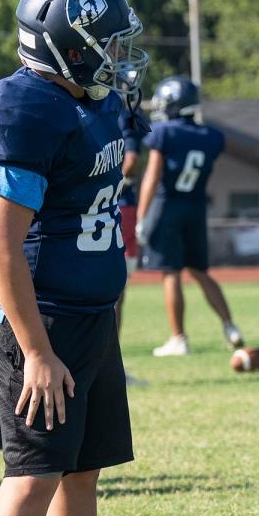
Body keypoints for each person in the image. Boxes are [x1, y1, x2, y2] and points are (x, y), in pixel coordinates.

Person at [0, 0, 151, 516]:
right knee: (35, 471)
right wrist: (36, 352)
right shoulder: (24, 110)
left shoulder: (92, 102)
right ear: (67, 46)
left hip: (87, 314)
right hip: (34, 321)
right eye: (107, 42)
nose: (119, 54)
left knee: (81, 470)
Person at [135, 76, 245, 356]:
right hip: (195, 207)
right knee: (200, 272)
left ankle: (178, 338)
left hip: (167, 205)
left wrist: (141, 215)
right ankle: (230, 326)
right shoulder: (211, 136)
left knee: (171, 273)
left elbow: (152, 176)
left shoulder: (164, 132)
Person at [114, 103, 146, 385]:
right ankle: (108, 366)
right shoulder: (121, 111)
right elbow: (132, 158)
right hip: (117, 208)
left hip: (108, 206)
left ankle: (108, 364)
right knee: (114, 291)